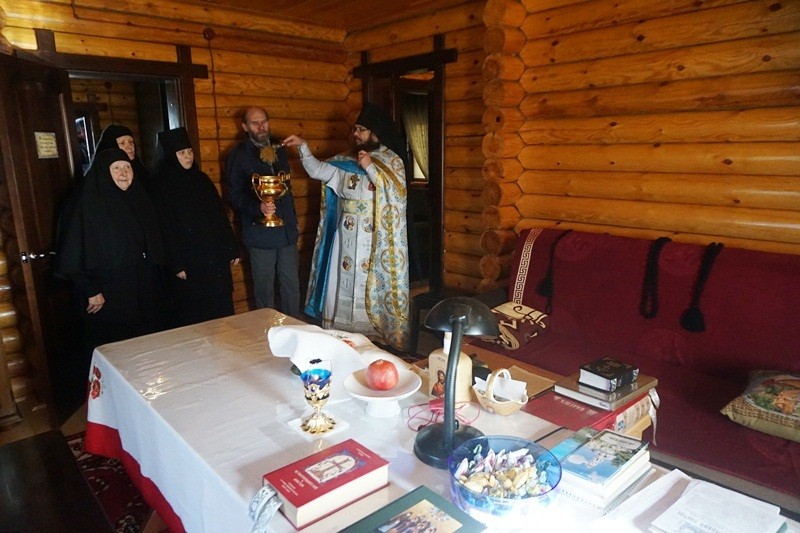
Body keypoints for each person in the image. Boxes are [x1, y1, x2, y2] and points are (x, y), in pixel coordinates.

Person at [283, 102, 410, 351]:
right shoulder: (345, 160)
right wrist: (303, 147)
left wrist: (370, 167)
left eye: (361, 130)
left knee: (366, 282)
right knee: (339, 278)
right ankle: (340, 334)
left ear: (375, 133)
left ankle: (372, 337)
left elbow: (396, 194)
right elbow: (318, 170)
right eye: (355, 129)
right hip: (344, 235)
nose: (356, 134)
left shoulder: (391, 161)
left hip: (374, 239)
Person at [54, 147, 166, 349]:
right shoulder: (84, 203)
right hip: (105, 295)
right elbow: (71, 254)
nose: (124, 173)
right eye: (116, 168)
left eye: (127, 167)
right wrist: (91, 290)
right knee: (114, 349)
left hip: (141, 289)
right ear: (104, 171)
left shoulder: (139, 198)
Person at [151, 126, 240, 327]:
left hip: (214, 257)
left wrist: (231, 247)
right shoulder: (161, 185)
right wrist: (176, 263)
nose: (188, 156)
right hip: (188, 260)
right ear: (171, 156)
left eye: (190, 151)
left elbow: (220, 216)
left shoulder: (201, 179)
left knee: (222, 311)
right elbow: (165, 228)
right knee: (195, 313)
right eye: (182, 153)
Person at [225, 107, 300, 316]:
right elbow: (234, 195)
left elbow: (286, 188)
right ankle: (266, 331)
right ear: (245, 127)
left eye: (264, 121)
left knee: (291, 286)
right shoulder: (238, 155)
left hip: (286, 231)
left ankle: (295, 328)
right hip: (259, 233)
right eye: (255, 123)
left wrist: (292, 220)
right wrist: (258, 207)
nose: (261, 127)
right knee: (264, 290)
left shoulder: (279, 148)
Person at [94, 124, 151, 192]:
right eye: (122, 143)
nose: (129, 147)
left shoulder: (141, 171)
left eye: (131, 142)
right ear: (111, 146)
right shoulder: (100, 179)